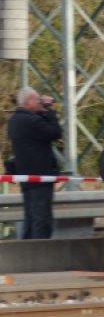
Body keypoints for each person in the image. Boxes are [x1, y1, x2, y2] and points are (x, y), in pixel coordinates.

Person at [7, 87, 62, 239]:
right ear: (29, 101)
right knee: (42, 219)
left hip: (25, 177)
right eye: (37, 100)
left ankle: (27, 252)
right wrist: (49, 111)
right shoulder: (31, 121)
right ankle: (40, 254)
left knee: (30, 218)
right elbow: (54, 132)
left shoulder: (14, 120)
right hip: (40, 177)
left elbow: (38, 136)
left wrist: (41, 110)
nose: (40, 102)